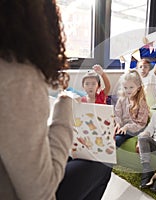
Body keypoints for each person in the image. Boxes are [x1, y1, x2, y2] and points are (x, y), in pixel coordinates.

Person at [0, 1, 111, 199]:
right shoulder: (18, 77)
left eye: (94, 84)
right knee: (103, 164)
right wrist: (65, 106)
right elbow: (40, 192)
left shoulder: (101, 96)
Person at [114, 70, 150, 147]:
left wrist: (126, 127)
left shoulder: (141, 103)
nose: (128, 90)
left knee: (117, 140)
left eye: (131, 87)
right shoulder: (121, 99)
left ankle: (111, 158)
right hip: (122, 127)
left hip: (135, 129)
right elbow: (117, 114)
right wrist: (118, 124)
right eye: (125, 87)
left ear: (138, 88)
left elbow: (140, 124)